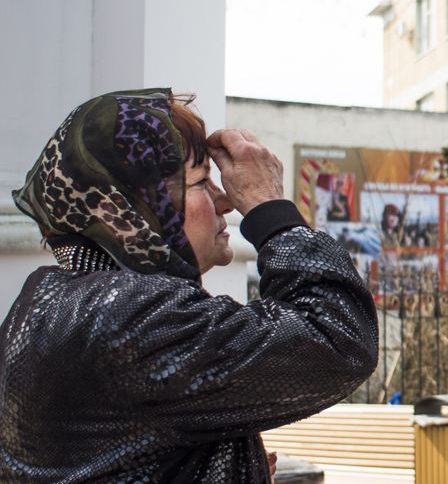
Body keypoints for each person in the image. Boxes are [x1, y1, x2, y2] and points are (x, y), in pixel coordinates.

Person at [0, 89, 378, 481]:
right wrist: (271, 210)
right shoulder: (130, 316)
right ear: (132, 210)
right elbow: (337, 340)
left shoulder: (50, 300)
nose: (225, 201)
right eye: (200, 182)